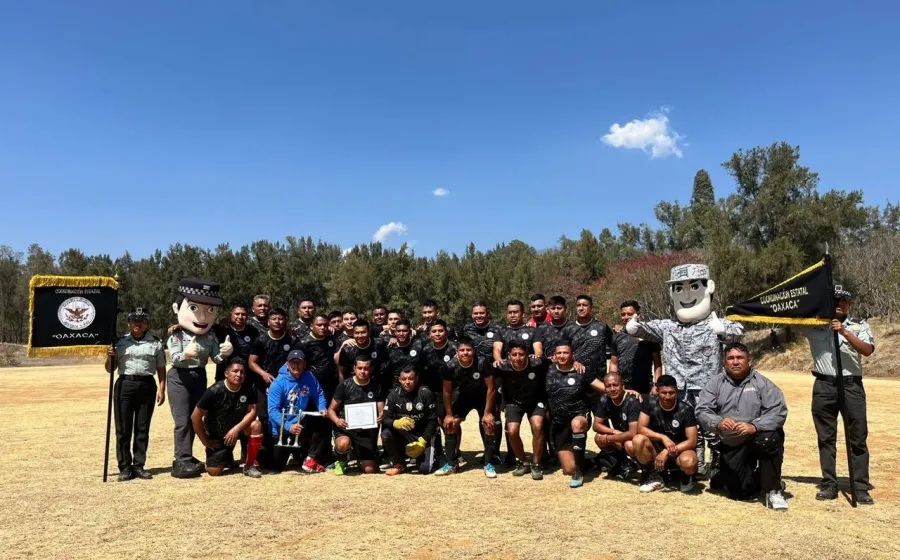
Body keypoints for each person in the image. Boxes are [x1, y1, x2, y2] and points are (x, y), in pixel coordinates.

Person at [626, 264, 744, 478]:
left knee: (711, 427)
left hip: (708, 387)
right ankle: (695, 465)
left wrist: (723, 330)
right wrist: (634, 326)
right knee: (688, 429)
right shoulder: (668, 326)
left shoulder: (714, 323)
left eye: (694, 286)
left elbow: (738, 332)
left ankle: (717, 464)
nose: (687, 294)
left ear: (708, 288)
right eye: (679, 288)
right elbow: (644, 329)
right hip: (678, 388)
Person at [798, 286, 875, 504]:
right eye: (834, 300)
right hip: (824, 385)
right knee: (826, 438)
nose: (840, 304)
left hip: (851, 386)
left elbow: (867, 350)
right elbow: (790, 318)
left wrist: (844, 332)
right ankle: (829, 484)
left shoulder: (860, 325)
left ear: (850, 305)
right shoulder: (814, 325)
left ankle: (860, 487)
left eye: (844, 301)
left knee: (858, 438)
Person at [696, 343, 789, 510]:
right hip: (732, 442)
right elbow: (702, 410)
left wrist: (754, 426)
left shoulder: (762, 383)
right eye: (731, 358)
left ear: (749, 361)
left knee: (770, 438)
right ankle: (756, 478)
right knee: (739, 492)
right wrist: (718, 422)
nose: (736, 362)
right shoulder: (715, 383)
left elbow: (778, 410)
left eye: (740, 358)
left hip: (757, 437)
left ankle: (773, 490)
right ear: (724, 363)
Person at [166, 279, 234, 478]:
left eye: (210, 310)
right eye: (194, 308)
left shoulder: (209, 336)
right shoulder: (176, 335)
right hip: (179, 377)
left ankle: (187, 456)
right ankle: (181, 459)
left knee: (197, 418)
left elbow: (216, 357)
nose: (203, 316)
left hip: (199, 376)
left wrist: (226, 353)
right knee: (182, 421)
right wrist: (184, 355)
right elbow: (175, 358)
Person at [106, 308, 167, 481]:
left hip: (147, 385)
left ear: (147, 323)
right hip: (124, 384)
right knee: (123, 429)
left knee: (142, 428)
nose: (138, 324)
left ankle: (138, 465)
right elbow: (110, 369)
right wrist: (110, 357)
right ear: (129, 323)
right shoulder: (119, 342)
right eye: (134, 320)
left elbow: (161, 368)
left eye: (141, 321)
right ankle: (124, 467)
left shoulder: (155, 343)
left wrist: (162, 389)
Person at [434, 336, 501, 478]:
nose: (465, 353)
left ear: (474, 351)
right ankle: (451, 463)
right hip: (464, 396)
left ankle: (489, 463)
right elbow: (447, 391)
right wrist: (448, 413)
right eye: (462, 350)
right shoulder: (449, 366)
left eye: (468, 350)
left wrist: (488, 412)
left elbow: (491, 389)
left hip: (483, 396)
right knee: (451, 424)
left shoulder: (482, 363)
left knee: (488, 424)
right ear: (457, 352)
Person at [191, 359, 264, 478]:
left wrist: (236, 429)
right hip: (220, 434)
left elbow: (253, 411)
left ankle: (249, 465)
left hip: (238, 429)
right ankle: (225, 458)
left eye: (242, 372)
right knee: (213, 472)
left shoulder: (248, 388)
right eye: (235, 371)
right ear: (226, 373)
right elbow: (195, 417)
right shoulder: (214, 391)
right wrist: (205, 440)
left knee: (256, 425)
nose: (238, 375)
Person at [631, 375, 698, 493]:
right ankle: (655, 475)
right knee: (638, 439)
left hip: (679, 449)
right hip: (656, 448)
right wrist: (662, 437)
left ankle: (684, 477)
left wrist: (667, 451)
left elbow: (692, 441)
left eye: (671, 392)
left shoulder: (686, 409)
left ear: (677, 391)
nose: (667, 396)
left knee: (689, 462)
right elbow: (641, 428)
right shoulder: (649, 404)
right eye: (664, 393)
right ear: (657, 391)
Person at [291, 314, 340, 469]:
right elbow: (296, 366)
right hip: (309, 388)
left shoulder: (332, 340)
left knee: (325, 422)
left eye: (325, 325)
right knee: (311, 423)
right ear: (312, 325)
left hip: (329, 387)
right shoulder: (303, 344)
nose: (322, 328)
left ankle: (325, 456)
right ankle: (307, 454)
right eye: (319, 325)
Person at [493, 340, 547, 480]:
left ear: (528, 355)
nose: (518, 358)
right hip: (513, 402)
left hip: (536, 401)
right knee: (512, 431)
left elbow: (558, 364)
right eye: (514, 354)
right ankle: (523, 462)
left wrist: (576, 364)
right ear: (508, 356)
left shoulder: (538, 363)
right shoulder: (502, 367)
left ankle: (536, 464)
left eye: (521, 354)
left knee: (538, 425)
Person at [268, 350, 328, 473]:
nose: (296, 366)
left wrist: (322, 407)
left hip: (301, 424)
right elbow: (273, 411)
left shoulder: (309, 377)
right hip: (281, 429)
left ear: (304, 364)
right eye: (293, 363)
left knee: (323, 421)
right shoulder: (278, 383)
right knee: (277, 467)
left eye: (299, 363)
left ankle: (311, 458)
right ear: (287, 364)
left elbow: (319, 393)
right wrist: (289, 427)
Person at [248, 307, 294, 467]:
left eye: (281, 319)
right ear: (268, 322)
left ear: (285, 321)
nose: (277, 322)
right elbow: (252, 362)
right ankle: (263, 453)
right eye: (274, 319)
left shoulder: (291, 340)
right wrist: (263, 374)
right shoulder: (260, 340)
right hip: (263, 387)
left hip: (285, 387)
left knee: (284, 417)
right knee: (266, 419)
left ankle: (282, 453)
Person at [327, 355, 384, 475]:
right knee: (343, 443)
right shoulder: (344, 385)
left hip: (365, 432)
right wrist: (337, 420)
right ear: (354, 368)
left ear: (371, 369)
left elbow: (381, 408)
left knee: (370, 470)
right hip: (346, 428)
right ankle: (341, 460)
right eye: (360, 368)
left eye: (366, 368)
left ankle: (357, 455)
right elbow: (330, 410)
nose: (363, 371)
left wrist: (381, 416)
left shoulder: (376, 386)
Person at [381, 367, 439, 476]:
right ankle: (400, 464)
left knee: (424, 469)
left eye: (410, 379)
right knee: (386, 434)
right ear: (399, 380)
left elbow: (432, 421)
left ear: (416, 379)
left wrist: (423, 441)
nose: (407, 382)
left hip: (422, 436)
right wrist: (395, 423)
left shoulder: (425, 393)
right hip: (404, 434)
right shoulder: (393, 395)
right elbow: (385, 419)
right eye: (404, 379)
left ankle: (433, 454)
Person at [593, 372, 641, 479]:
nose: (612, 389)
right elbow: (596, 425)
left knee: (630, 445)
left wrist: (609, 438)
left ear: (622, 386)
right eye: (608, 386)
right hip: (621, 435)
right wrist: (614, 432)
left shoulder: (632, 401)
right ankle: (623, 462)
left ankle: (641, 465)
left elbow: (633, 433)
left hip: (637, 438)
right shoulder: (604, 399)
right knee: (599, 437)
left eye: (615, 385)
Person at [609, 300, 662, 396]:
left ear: (638, 315)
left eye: (629, 314)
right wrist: (613, 383)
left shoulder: (649, 336)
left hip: (646, 387)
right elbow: (613, 363)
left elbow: (657, 363)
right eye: (623, 314)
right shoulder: (616, 337)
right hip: (623, 388)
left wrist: (657, 385)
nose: (626, 317)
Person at [212, 304, 260, 382]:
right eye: (237, 314)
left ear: (247, 316)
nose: (240, 317)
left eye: (243, 314)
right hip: (223, 375)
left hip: (246, 377)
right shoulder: (221, 330)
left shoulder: (253, 331)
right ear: (231, 315)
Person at [338, 319, 389, 391]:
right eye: (357, 333)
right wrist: (343, 390)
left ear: (369, 332)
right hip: (354, 388)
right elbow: (342, 372)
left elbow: (386, 364)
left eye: (363, 332)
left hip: (377, 387)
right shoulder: (347, 349)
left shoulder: (379, 344)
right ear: (353, 333)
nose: (360, 336)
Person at [572, 295, 613, 377]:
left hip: (598, 376)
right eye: (578, 305)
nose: (581, 308)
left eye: (585, 305)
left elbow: (614, 348)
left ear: (591, 308)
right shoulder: (569, 328)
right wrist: (573, 362)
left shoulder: (602, 327)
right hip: (575, 375)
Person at [493, 299, 541, 364]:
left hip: (528, 366)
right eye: (510, 312)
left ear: (523, 314)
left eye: (515, 312)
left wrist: (537, 356)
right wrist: (498, 359)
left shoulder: (533, 331)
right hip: (508, 368)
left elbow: (538, 348)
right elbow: (497, 349)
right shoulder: (501, 332)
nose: (512, 315)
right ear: (507, 315)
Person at [383, 319, 423, 389]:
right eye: (398, 331)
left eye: (404, 331)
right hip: (396, 390)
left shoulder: (418, 344)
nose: (401, 334)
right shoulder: (389, 347)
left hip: (416, 388)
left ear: (410, 331)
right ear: (395, 332)